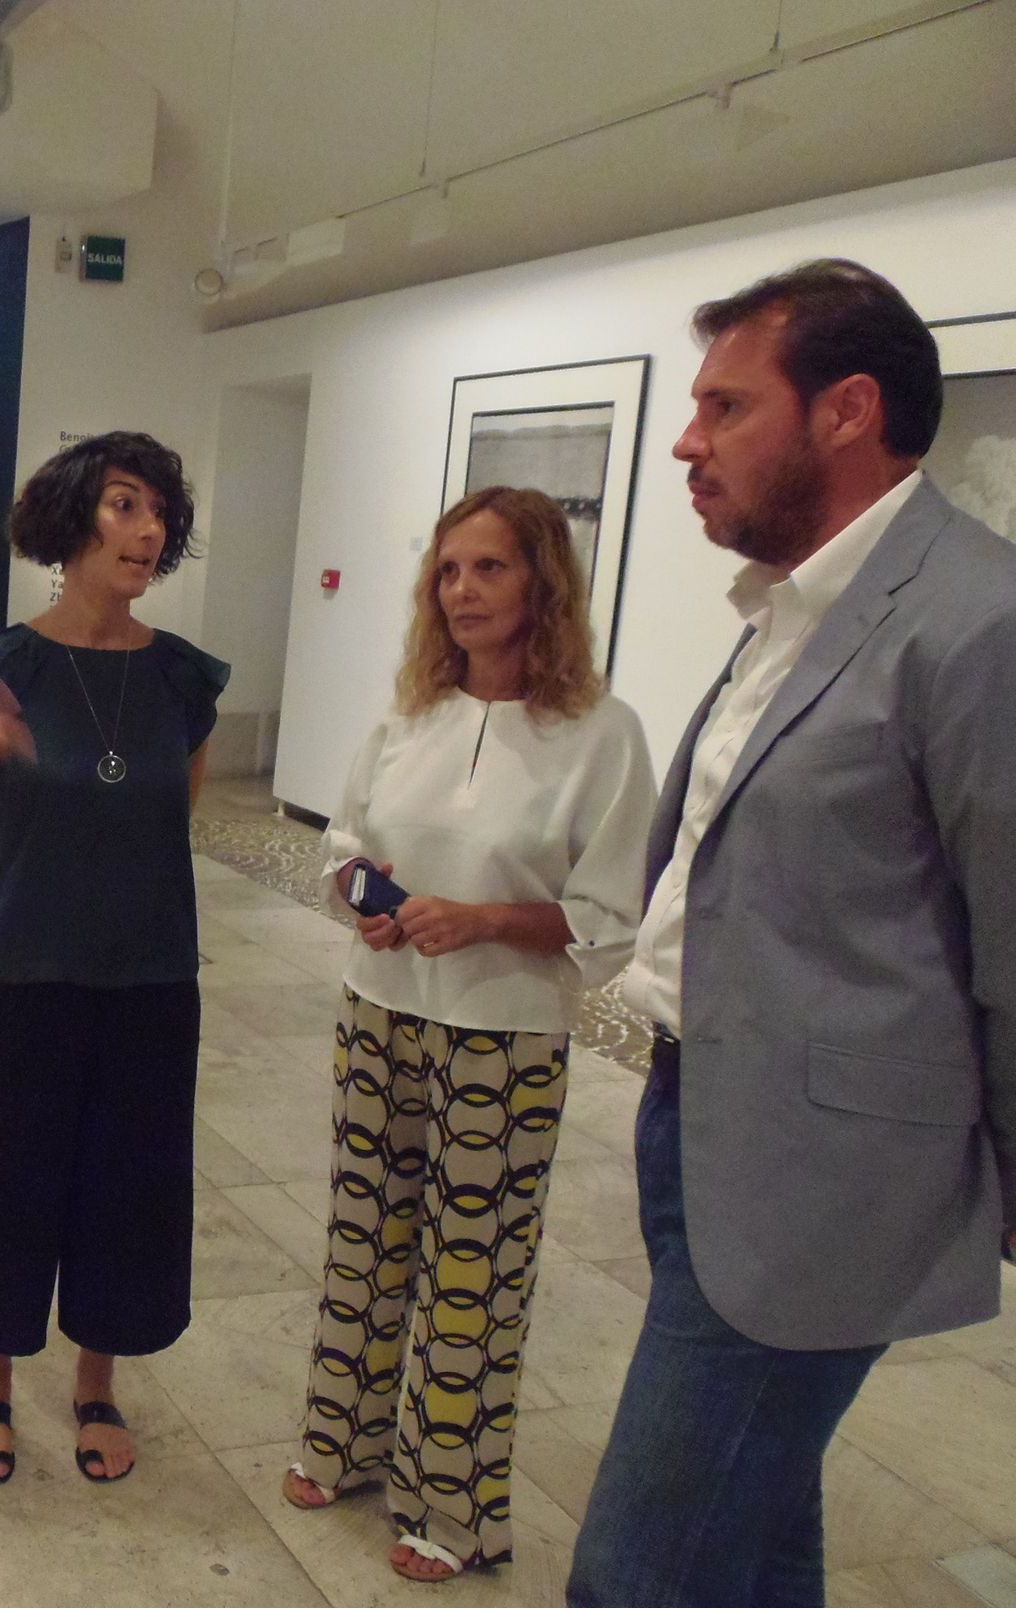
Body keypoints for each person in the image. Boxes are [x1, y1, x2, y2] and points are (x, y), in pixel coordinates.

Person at [567, 261, 1016, 1606]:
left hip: (828, 1180)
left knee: (638, 1573)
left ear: (846, 410)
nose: (686, 443)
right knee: (754, 1537)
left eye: (724, 406)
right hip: (703, 1117)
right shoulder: (792, 606)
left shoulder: (978, 619)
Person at [282, 486, 656, 1582]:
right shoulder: (409, 714)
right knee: (363, 1240)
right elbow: (343, 843)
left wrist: (484, 919)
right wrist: (365, 897)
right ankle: (340, 1444)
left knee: (471, 1271)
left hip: (503, 1038)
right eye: (447, 571)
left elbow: (608, 916)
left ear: (544, 581)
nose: (461, 591)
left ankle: (452, 1511)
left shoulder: (601, 734)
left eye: (488, 568)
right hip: (379, 1011)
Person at [0, 431, 229, 1486]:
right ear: (70, 521)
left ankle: (98, 1381)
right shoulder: (0, 669)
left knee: (127, 1189)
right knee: (5, 1183)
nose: (147, 529)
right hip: (24, 977)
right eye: (124, 504)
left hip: (151, 979)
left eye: (158, 512)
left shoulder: (183, 681)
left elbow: (168, 825)